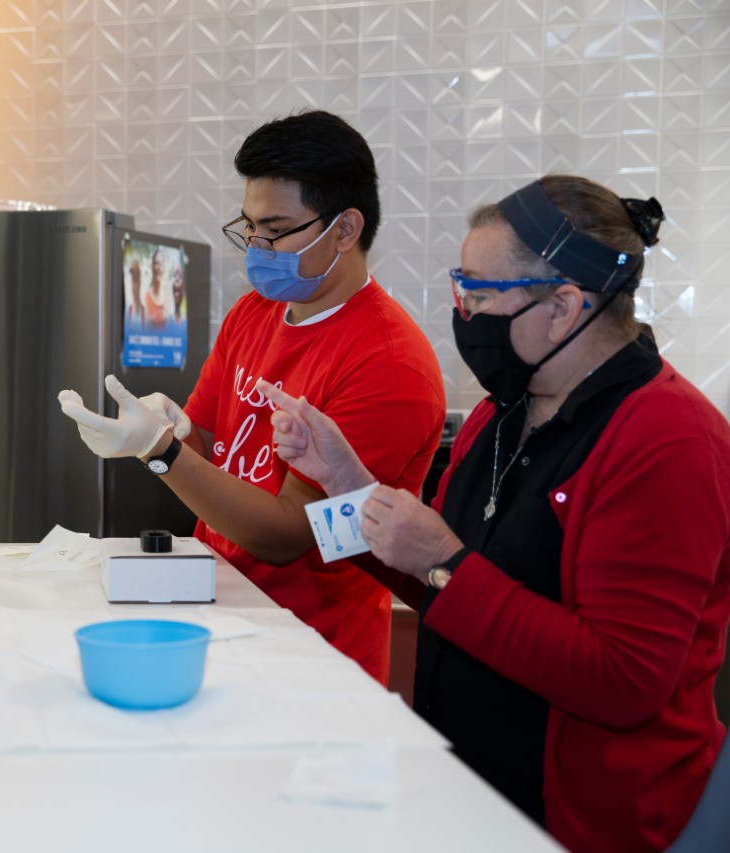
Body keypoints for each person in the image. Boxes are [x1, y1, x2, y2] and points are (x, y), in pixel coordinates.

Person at [261, 174, 730, 853]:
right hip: (468, 788)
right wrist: (346, 486)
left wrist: (443, 561)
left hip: (584, 818)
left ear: (563, 306)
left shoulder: (669, 440)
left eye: (479, 293)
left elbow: (623, 680)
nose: (465, 313)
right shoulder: (499, 413)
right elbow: (439, 584)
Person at [58, 110, 446, 684]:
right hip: (218, 614)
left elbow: (287, 535)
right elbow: (208, 442)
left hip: (312, 656)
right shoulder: (254, 312)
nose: (258, 246)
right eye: (250, 227)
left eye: (276, 229)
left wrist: (161, 451)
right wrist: (173, 429)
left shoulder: (389, 362)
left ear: (345, 230)